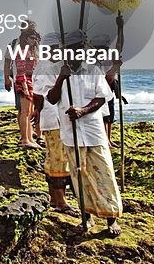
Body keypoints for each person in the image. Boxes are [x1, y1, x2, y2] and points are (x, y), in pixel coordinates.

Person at [46, 30, 123, 237]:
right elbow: (52, 99)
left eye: (77, 49)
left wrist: (82, 111)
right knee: (79, 176)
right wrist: (61, 79)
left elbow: (101, 98)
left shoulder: (93, 69)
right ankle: (86, 218)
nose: (74, 54)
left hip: (93, 130)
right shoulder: (57, 70)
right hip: (71, 133)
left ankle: (111, 218)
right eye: (70, 50)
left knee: (104, 172)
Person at [32, 33, 76, 215]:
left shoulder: (58, 65)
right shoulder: (45, 67)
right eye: (57, 48)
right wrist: (38, 114)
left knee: (60, 158)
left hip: (60, 117)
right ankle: (59, 200)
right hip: (52, 118)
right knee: (56, 159)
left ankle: (57, 198)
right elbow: (39, 95)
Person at [13, 24, 41, 149]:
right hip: (23, 81)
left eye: (35, 38)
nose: (34, 40)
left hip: (31, 81)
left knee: (29, 112)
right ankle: (25, 139)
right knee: (25, 112)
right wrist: (23, 84)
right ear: (26, 38)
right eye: (32, 38)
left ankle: (29, 138)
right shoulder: (21, 50)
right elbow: (20, 69)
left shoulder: (31, 51)